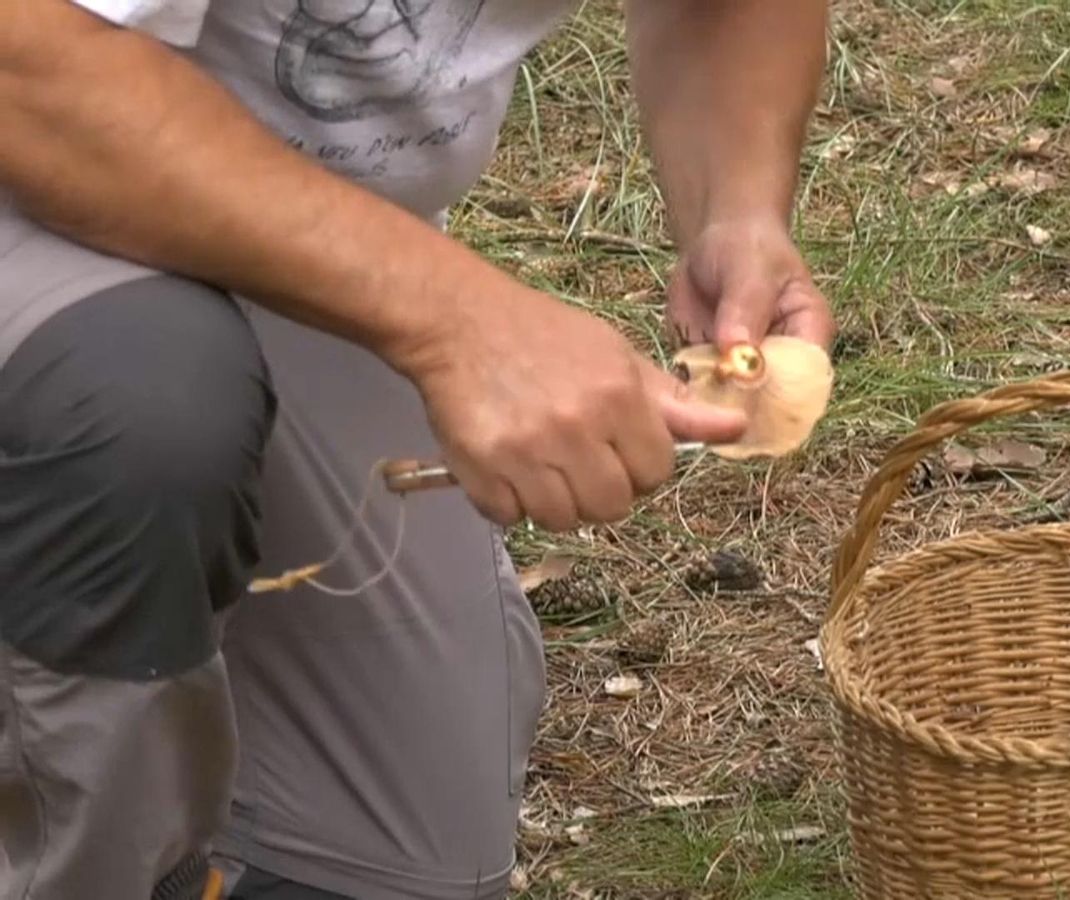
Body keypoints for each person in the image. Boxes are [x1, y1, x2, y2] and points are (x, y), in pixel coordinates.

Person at [0, 0, 835, 897]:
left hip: (268, 235)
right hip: (40, 161)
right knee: (142, 415)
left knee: (382, 857)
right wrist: (454, 321)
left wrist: (736, 206)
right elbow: (27, 61)